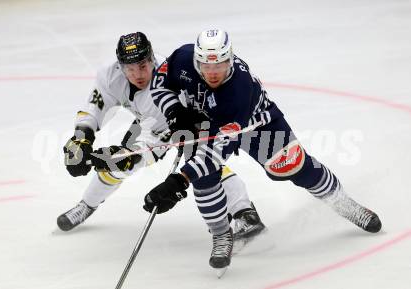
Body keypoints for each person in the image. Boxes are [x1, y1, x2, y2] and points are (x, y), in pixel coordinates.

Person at [142, 29, 382, 274]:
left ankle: (346, 205)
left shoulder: (238, 89)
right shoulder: (182, 58)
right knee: (204, 179)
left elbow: (216, 153)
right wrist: (176, 113)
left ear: (230, 59)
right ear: (196, 60)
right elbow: (160, 85)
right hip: (206, 122)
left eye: (221, 65)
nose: (213, 73)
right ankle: (221, 235)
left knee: (297, 167)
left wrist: (178, 180)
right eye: (205, 66)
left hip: (257, 124)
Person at [60, 32, 266, 243]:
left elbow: (156, 139)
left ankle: (244, 212)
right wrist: (81, 138)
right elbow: (95, 107)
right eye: (130, 69)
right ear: (120, 66)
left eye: (142, 66)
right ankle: (87, 204)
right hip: (149, 121)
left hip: (190, 119)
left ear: (151, 59)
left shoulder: (164, 79)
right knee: (117, 165)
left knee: (204, 163)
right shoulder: (109, 75)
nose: (138, 74)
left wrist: (131, 154)